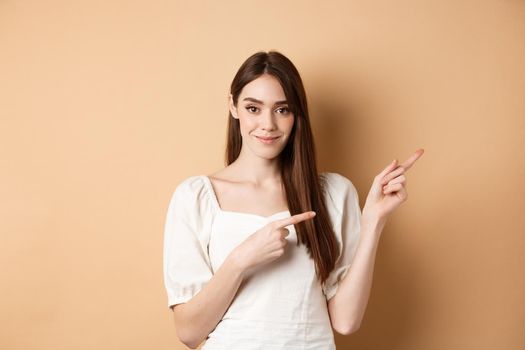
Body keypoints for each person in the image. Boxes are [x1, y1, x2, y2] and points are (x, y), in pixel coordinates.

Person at [163, 50, 424, 349]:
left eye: (282, 109)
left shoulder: (333, 194)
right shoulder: (196, 197)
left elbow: (346, 321)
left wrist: (373, 221)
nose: (268, 124)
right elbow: (189, 331)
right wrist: (241, 259)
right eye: (253, 108)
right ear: (233, 106)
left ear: (297, 115)